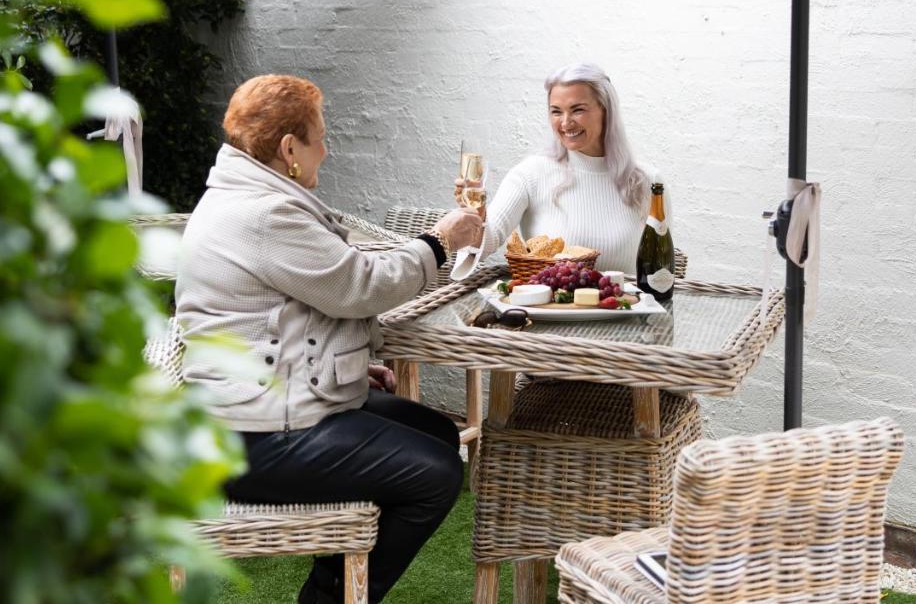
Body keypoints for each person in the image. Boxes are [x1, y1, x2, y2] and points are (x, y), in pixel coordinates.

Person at [176, 74, 484, 604]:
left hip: (261, 408)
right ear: (288, 148)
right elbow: (358, 285)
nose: (328, 146)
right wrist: (439, 241)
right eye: (321, 135)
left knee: (438, 432)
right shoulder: (263, 213)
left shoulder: (247, 195)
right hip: (250, 437)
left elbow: (286, 308)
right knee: (436, 474)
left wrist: (349, 362)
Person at [460, 62, 665, 273]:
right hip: (551, 306)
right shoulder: (529, 175)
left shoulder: (648, 181)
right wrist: (476, 214)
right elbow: (482, 246)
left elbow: (660, 268)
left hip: (626, 305)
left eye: (578, 110)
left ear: (605, 111)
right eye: (556, 112)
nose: (566, 123)